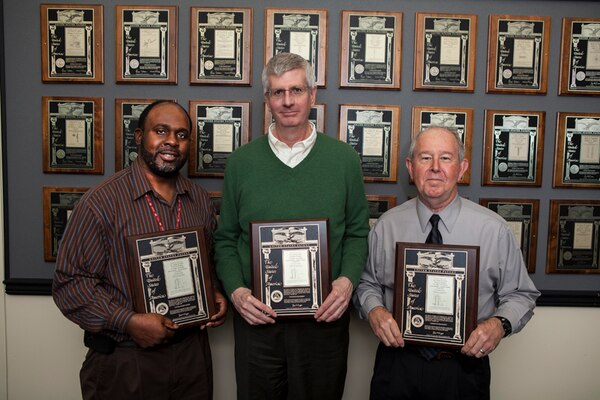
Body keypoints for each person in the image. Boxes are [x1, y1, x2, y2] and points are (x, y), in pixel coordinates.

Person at [213, 52, 370, 400]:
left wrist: (346, 284)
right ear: (267, 99)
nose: (287, 101)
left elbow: (359, 232)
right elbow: (225, 239)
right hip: (258, 322)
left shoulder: (343, 160)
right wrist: (238, 292)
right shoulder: (241, 162)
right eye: (277, 92)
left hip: (324, 321)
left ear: (312, 95)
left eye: (296, 90)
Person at [52, 100, 228, 400]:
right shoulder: (101, 202)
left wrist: (216, 294)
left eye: (182, 135)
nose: (172, 141)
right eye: (161, 131)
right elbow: (70, 284)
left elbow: (206, 264)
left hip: (191, 358)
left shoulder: (199, 200)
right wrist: (128, 321)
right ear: (138, 137)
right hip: (125, 360)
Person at [353, 126, 540, 400]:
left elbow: (522, 294)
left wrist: (498, 324)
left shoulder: (493, 229)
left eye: (446, 158)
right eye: (425, 158)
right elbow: (366, 283)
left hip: (463, 368)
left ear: (461, 167)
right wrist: (375, 311)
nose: (435, 168)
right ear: (411, 166)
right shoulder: (387, 225)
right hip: (398, 364)